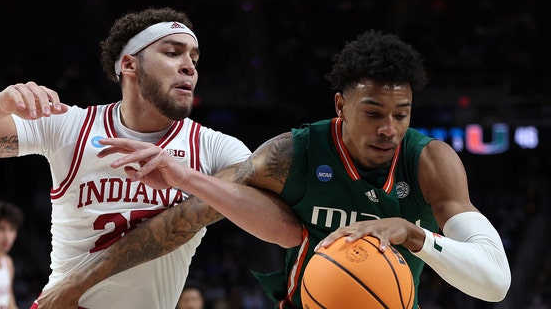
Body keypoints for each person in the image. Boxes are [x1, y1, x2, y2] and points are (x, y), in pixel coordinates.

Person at [34, 29, 511, 308]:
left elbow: (495, 282)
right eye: (373, 113)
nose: (389, 128)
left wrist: (413, 234)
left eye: (401, 114)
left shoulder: (430, 162)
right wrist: (75, 284)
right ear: (341, 106)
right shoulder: (292, 154)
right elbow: (185, 218)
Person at [0, 7, 300, 309]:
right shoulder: (70, 125)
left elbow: (285, 232)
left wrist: (185, 178)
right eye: (172, 52)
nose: (190, 66)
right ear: (129, 65)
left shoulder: (215, 147)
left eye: (194, 58)